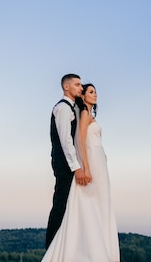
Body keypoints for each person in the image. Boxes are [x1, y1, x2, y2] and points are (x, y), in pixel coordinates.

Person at [42, 82, 120, 262]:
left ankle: (102, 244)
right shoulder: (82, 114)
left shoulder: (84, 114)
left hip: (99, 161)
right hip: (88, 161)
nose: (96, 94)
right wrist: (84, 167)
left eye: (96, 91)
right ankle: (83, 248)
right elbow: (79, 141)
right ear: (83, 96)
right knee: (83, 203)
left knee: (101, 202)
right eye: (90, 91)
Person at [45, 73, 89, 249]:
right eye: (78, 85)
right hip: (64, 164)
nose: (81, 88)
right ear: (66, 87)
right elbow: (65, 140)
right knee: (60, 205)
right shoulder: (63, 108)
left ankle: (63, 246)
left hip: (66, 163)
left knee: (66, 204)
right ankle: (52, 249)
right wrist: (76, 168)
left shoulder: (72, 108)